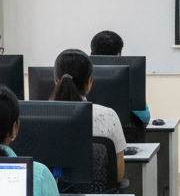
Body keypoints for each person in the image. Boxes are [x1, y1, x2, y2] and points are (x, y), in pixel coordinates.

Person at [49, 48, 126, 183]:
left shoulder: (41, 116)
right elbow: (118, 175)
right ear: (89, 82)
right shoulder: (108, 116)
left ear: (56, 82)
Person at [89, 29, 151, 125]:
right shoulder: (128, 75)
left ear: (92, 54)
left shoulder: (81, 74)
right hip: (126, 137)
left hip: (89, 134)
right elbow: (144, 117)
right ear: (119, 54)